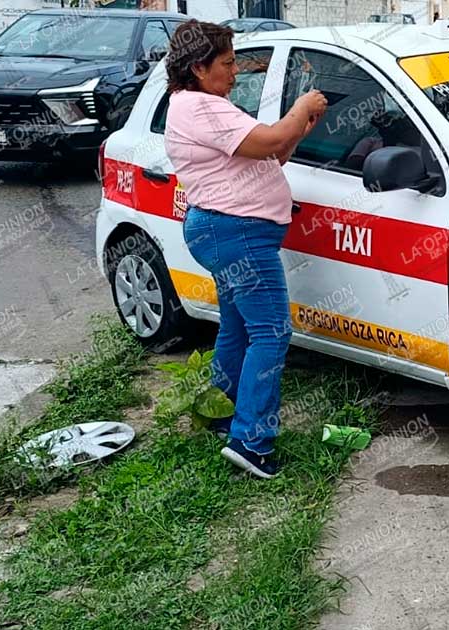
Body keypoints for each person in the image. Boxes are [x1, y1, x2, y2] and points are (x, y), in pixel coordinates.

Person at [163, 20, 327, 479]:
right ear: (198, 67)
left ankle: (222, 412)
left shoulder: (200, 104)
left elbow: (272, 154)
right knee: (272, 333)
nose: (236, 71)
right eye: (228, 62)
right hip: (237, 234)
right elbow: (271, 140)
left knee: (238, 327)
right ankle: (252, 441)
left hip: (226, 232)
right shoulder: (201, 108)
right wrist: (300, 106)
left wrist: (300, 127)